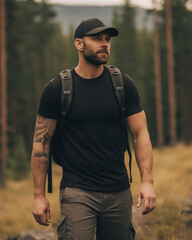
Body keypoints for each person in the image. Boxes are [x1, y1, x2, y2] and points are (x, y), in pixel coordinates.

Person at [31, 18, 156, 240]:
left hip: (118, 191)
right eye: (97, 38)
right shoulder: (57, 89)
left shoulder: (123, 85)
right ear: (79, 44)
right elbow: (41, 144)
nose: (105, 44)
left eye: (107, 39)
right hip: (77, 191)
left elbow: (140, 133)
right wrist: (39, 195)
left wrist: (147, 181)